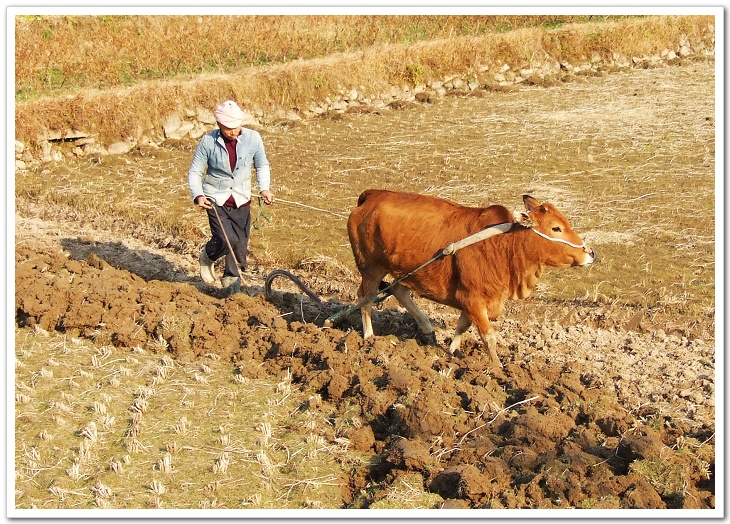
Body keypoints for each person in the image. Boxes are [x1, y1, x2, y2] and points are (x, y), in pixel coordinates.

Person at [187, 100, 274, 291]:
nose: (233, 132)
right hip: (215, 199)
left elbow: (262, 165)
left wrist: (264, 189)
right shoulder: (208, 142)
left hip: (242, 199)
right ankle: (208, 256)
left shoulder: (253, 138)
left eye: (236, 127)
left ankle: (231, 282)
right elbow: (195, 172)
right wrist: (199, 195)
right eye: (228, 129)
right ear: (219, 125)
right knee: (227, 240)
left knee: (240, 247)